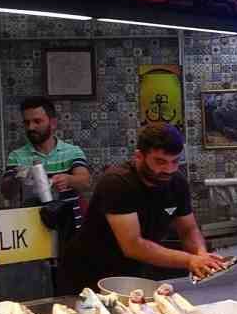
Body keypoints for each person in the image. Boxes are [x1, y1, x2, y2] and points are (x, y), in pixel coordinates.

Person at [58, 123, 225, 293]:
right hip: (89, 274)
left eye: (175, 161)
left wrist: (201, 254)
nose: (169, 169)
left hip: (133, 273)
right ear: (139, 156)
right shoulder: (117, 182)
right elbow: (133, 245)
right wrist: (190, 260)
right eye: (160, 161)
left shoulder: (177, 182)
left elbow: (188, 229)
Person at [0, 97, 90, 202]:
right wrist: (16, 178)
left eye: (37, 121)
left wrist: (68, 180)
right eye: (26, 123)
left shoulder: (72, 152)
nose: (31, 127)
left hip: (67, 217)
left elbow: (85, 181)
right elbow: (7, 194)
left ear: (53, 123)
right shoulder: (16, 156)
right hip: (31, 217)